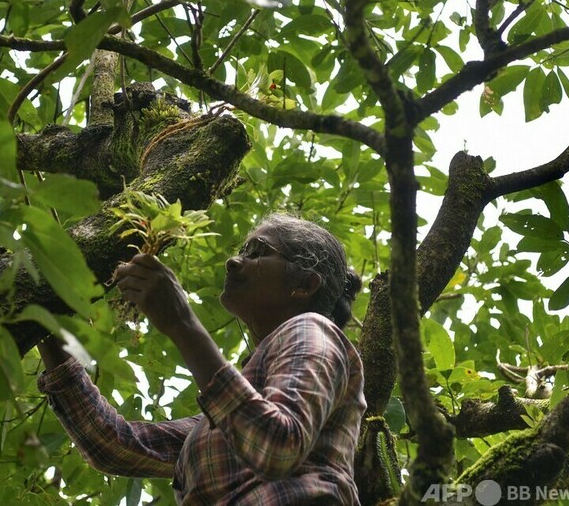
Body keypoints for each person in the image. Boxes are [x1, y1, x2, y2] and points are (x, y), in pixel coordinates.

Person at [37, 213, 366, 504]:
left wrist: (182, 323)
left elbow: (277, 445)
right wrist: (44, 319)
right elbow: (113, 445)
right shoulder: (226, 417)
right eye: (242, 250)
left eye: (258, 251)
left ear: (305, 284)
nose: (233, 262)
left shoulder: (311, 329)